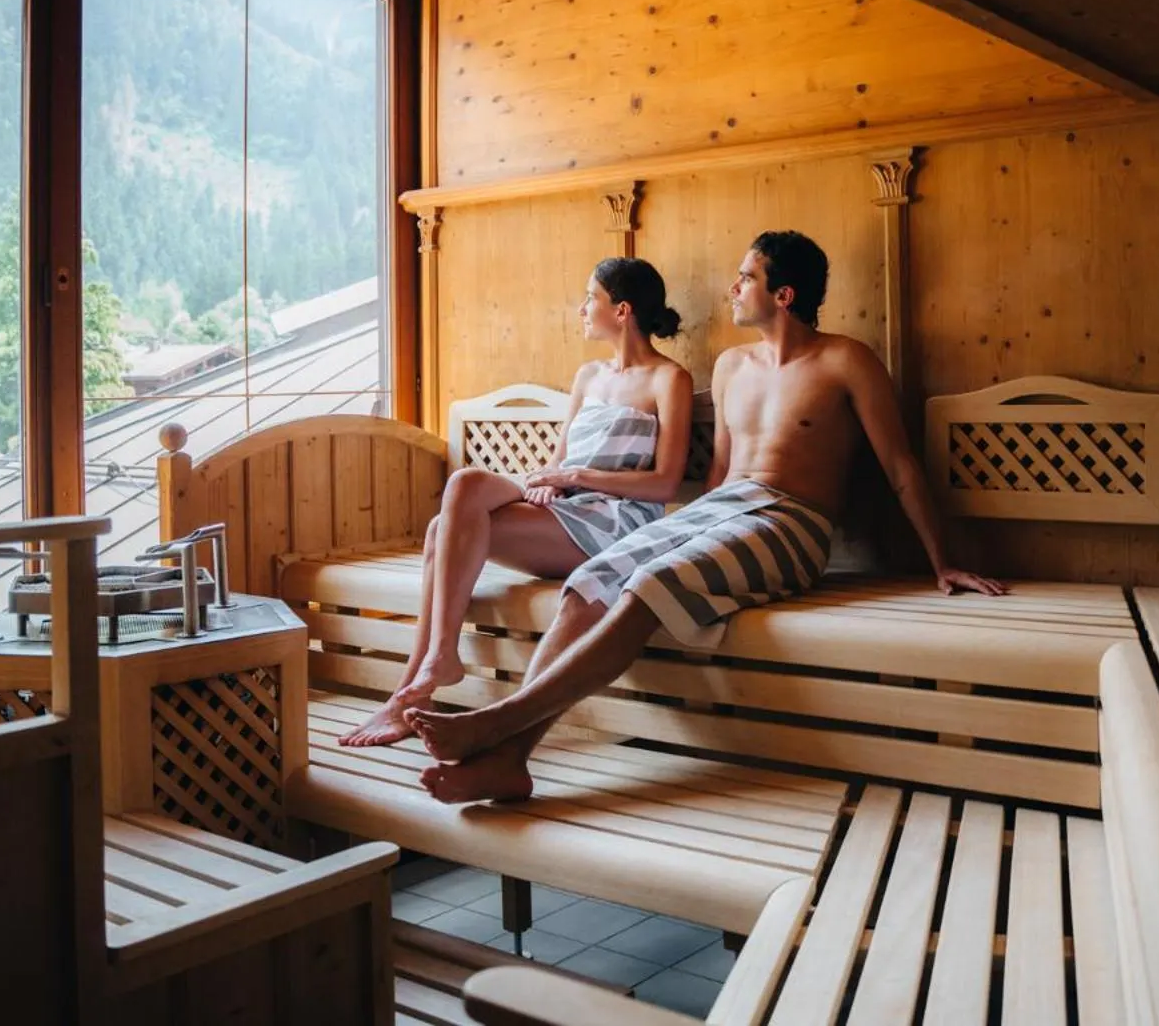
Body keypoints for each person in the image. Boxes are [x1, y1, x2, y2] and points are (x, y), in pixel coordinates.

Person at [407, 229, 1005, 800]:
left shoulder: (846, 362)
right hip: (719, 511)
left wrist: (942, 561)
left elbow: (900, 466)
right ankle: (512, 761)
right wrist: (677, 529)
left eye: (746, 278)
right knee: (587, 585)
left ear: (783, 295)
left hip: (789, 521)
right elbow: (718, 477)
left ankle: (499, 727)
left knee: (646, 586)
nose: (733, 288)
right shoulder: (730, 367)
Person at [338, 258, 693, 746]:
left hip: (616, 523)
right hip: (566, 506)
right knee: (463, 486)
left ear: (622, 309)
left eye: (591, 297)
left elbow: (665, 485)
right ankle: (434, 664)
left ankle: (408, 695)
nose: (581, 307)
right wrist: (549, 482)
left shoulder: (668, 380)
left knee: (443, 531)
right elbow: (559, 458)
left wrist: (572, 476)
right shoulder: (588, 375)